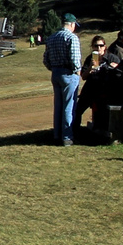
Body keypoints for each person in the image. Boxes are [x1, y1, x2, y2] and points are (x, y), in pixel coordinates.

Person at [43, 13, 83, 146]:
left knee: (58, 106)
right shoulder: (72, 37)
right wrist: (77, 71)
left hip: (55, 72)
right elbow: (75, 59)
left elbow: (46, 59)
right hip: (68, 73)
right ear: (72, 24)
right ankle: (67, 136)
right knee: (69, 106)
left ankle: (57, 134)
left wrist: (53, 68)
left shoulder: (52, 38)